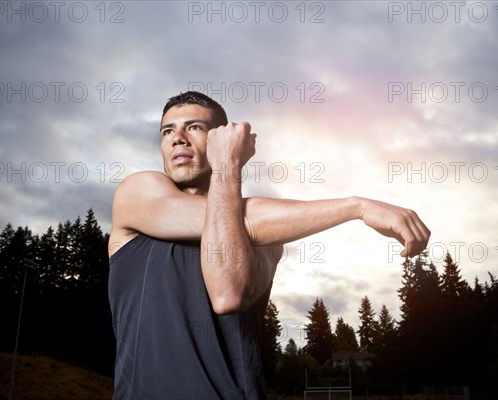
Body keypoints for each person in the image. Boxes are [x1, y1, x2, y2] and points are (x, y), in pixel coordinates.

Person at [107, 91, 430, 399]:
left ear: (222, 140)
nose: (178, 138)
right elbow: (247, 220)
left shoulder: (269, 237)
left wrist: (226, 167)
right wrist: (356, 206)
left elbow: (227, 293)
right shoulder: (138, 191)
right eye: (167, 131)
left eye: (194, 127)